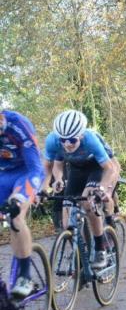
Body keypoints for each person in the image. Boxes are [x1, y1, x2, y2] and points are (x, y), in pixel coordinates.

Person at [42, 109, 117, 270]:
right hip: (75, 169)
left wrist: (101, 189)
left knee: (87, 203)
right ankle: (80, 251)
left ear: (81, 136)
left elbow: (110, 169)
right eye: (63, 139)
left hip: (96, 168)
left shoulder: (90, 139)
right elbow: (53, 166)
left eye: (72, 140)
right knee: (67, 215)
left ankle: (100, 249)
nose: (67, 144)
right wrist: (56, 181)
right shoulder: (52, 140)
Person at [0, 110, 44, 298]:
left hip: (26, 172)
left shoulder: (18, 124)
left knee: (16, 215)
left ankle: (26, 275)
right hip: (3, 175)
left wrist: (20, 198)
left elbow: (36, 168)